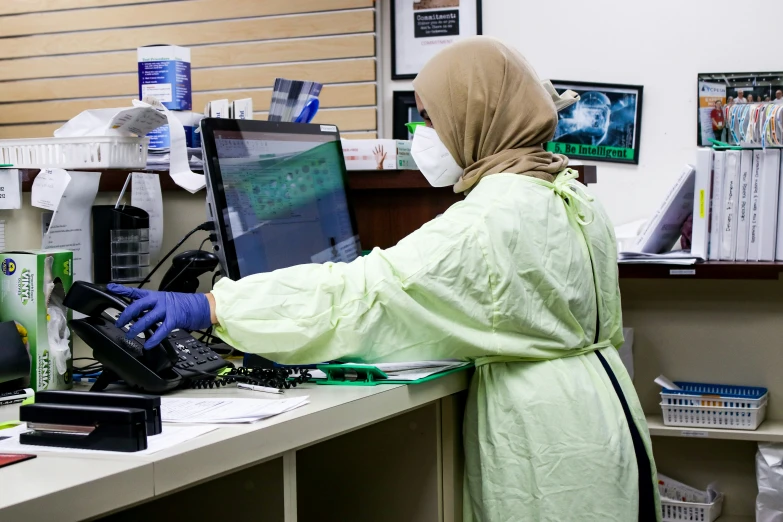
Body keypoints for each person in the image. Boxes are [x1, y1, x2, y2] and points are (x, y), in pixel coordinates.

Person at [109, 37, 660, 522]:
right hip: (603, 418)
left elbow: (363, 297)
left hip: (547, 442)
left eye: (433, 118)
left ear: (477, 118)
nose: (425, 134)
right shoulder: (567, 191)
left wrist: (213, 308)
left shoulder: (493, 217)